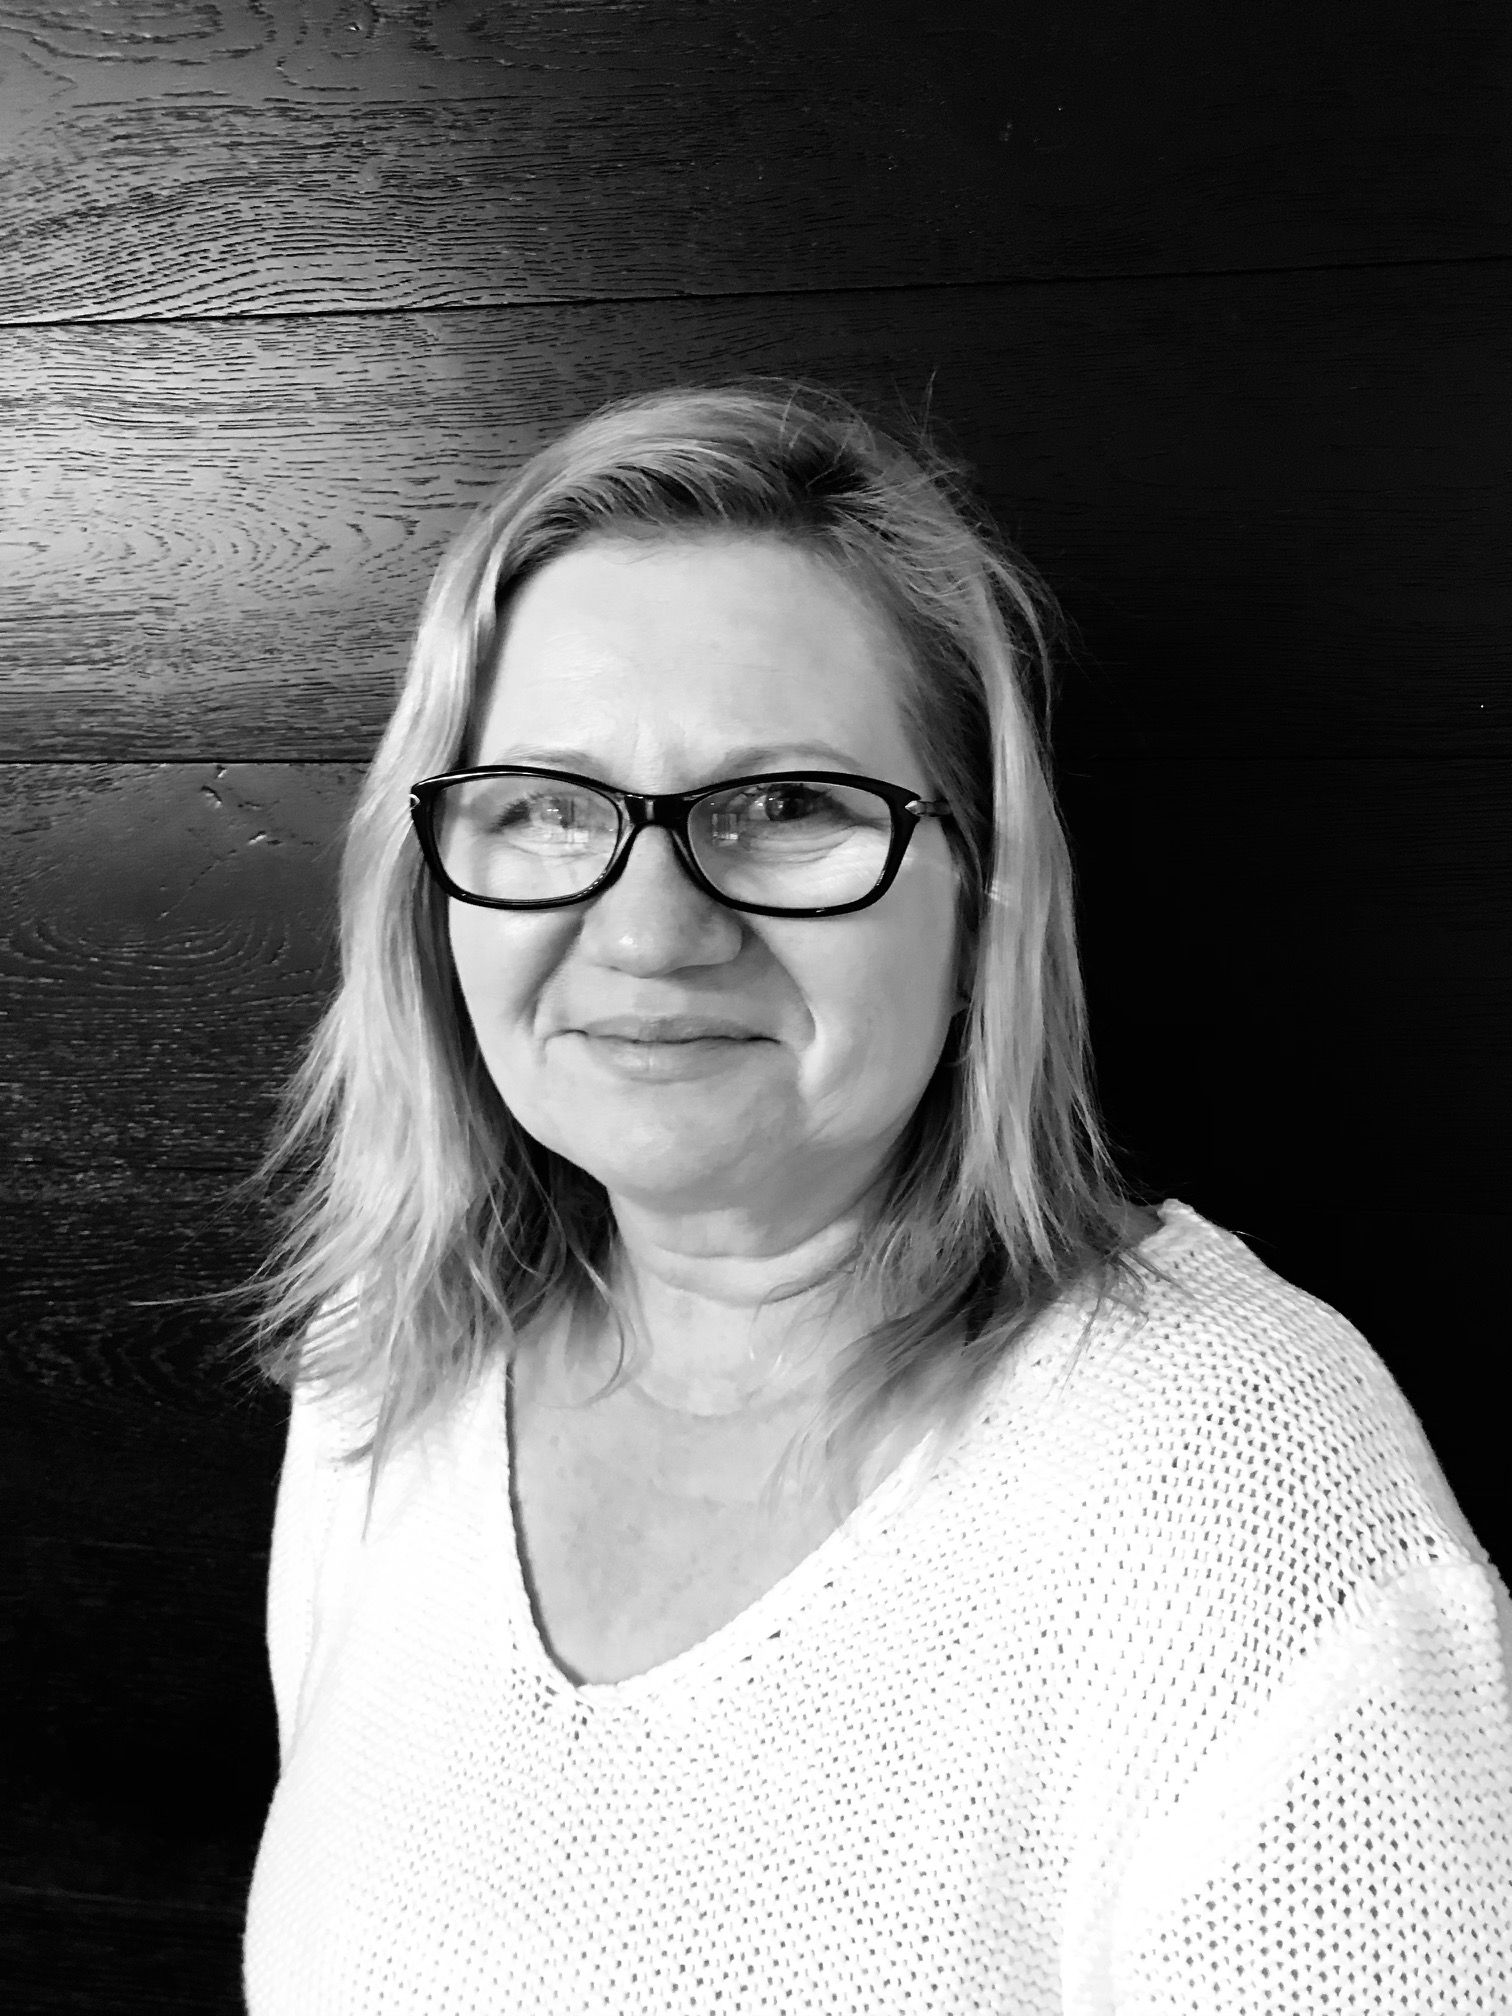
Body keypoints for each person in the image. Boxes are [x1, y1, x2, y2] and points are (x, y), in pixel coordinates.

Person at [240, 381, 1512, 2012]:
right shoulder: (385, 1364)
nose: (648, 932)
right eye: (545, 808)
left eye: (786, 808)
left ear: (984, 897)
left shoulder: (1244, 1498)